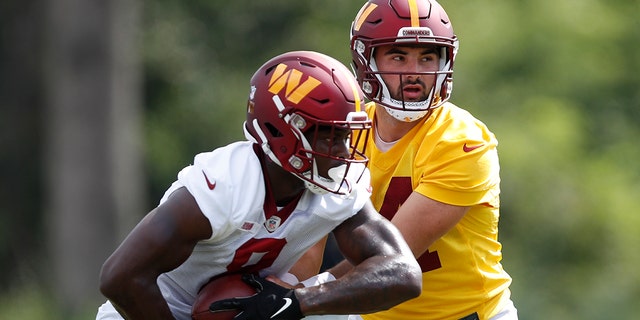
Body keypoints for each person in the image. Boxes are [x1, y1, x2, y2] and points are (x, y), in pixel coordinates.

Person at [96, 50, 421, 320]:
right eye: (331, 136)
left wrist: (298, 301)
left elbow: (402, 273)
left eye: (347, 136)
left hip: (253, 309)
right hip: (153, 313)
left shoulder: (337, 187)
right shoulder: (223, 185)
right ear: (283, 132)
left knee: (336, 313)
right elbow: (121, 277)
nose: (343, 152)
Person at [321, 0, 519, 319]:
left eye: (427, 58)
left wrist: (301, 296)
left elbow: (389, 255)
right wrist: (285, 284)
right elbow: (308, 237)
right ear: (365, 60)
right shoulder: (346, 132)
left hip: (464, 314)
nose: (414, 73)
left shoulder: (462, 140)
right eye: (399, 57)